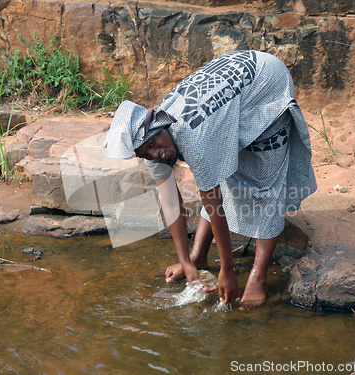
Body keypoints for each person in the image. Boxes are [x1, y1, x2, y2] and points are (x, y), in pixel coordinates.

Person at [103, 50, 317, 309]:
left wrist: (228, 270)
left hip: (265, 82)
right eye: (145, 153)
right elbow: (171, 204)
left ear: (159, 125)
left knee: (266, 183)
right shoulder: (153, 147)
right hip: (232, 92)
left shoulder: (193, 136)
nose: (155, 153)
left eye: (153, 144)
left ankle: (258, 276)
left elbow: (213, 199)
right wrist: (186, 263)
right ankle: (198, 257)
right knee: (220, 169)